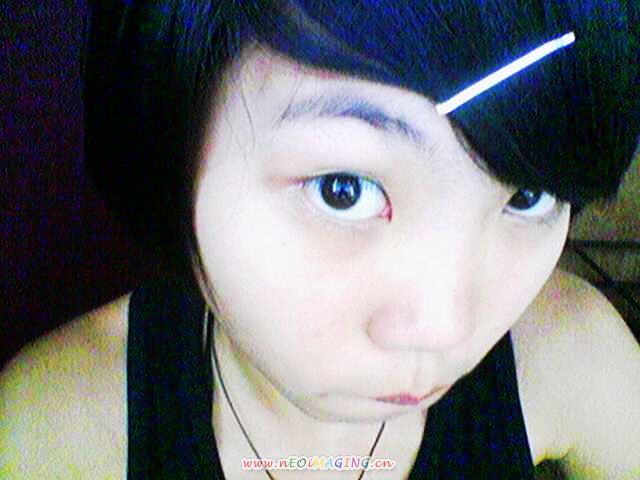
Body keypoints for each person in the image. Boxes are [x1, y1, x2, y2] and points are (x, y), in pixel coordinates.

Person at [2, 1, 640, 478]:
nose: (447, 329)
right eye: (344, 189)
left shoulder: (572, 355)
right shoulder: (52, 431)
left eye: (527, 196)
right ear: (168, 153)